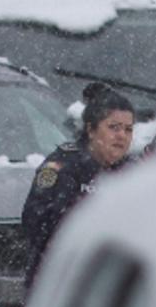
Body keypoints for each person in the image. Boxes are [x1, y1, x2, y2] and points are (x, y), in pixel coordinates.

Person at [23, 84, 136, 286]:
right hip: (62, 286)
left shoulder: (133, 172)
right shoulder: (64, 167)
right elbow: (39, 226)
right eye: (114, 127)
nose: (122, 136)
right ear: (91, 130)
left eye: (128, 129)